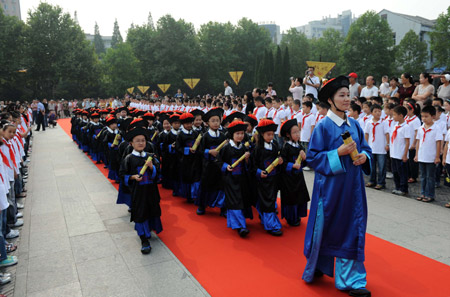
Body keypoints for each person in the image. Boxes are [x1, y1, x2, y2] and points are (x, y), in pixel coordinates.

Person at [302, 76, 372, 297]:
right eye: (341, 95)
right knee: (330, 227)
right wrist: (337, 154)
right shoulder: (323, 126)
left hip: (354, 189)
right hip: (332, 190)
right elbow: (312, 158)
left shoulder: (355, 125)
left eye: (347, 95)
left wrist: (364, 157)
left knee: (352, 228)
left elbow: (367, 149)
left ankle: (351, 280)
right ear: (330, 100)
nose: (346, 99)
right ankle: (320, 265)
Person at [119, 126, 162, 254]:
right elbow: (122, 174)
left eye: (143, 140)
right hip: (138, 193)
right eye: (137, 141)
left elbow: (158, 172)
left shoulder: (150, 156)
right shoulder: (129, 158)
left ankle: (150, 229)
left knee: (152, 209)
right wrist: (132, 177)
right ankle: (144, 239)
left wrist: (151, 167)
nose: (141, 143)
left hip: (151, 190)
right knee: (140, 213)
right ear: (131, 143)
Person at [218, 120, 252, 237]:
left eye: (242, 133)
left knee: (241, 199)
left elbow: (247, 165)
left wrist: (247, 160)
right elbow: (218, 160)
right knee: (234, 201)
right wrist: (225, 166)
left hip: (242, 179)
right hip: (230, 180)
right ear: (232, 134)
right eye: (237, 133)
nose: (240, 136)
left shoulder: (243, 148)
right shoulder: (226, 148)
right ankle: (240, 226)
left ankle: (240, 221)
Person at [252, 119, 283, 236]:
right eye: (268, 135)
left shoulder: (275, 145)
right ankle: (271, 225)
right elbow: (252, 165)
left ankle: (264, 217)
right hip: (263, 180)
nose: (271, 137)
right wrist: (259, 172)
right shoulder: (257, 149)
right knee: (268, 202)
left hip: (274, 179)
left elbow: (278, 157)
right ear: (262, 134)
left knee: (271, 199)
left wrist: (280, 162)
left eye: (272, 134)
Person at [279, 119, 310, 226]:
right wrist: (292, 165)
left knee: (300, 196)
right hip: (289, 178)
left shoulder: (299, 146)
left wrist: (304, 158)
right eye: (294, 132)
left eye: (298, 132)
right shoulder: (285, 147)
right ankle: (290, 218)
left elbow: (304, 163)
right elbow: (282, 163)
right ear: (288, 134)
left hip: (298, 176)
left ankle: (298, 215)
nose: (297, 134)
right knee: (291, 197)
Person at [196, 109, 227, 215]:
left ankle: (222, 207)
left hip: (219, 166)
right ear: (207, 123)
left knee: (221, 186)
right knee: (206, 185)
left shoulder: (223, 136)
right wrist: (209, 151)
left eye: (217, 120)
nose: (216, 123)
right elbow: (199, 151)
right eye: (213, 121)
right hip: (208, 166)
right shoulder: (204, 136)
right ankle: (202, 205)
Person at [414, 106, 442, 203]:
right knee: (422, 176)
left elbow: (438, 143)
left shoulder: (436, 128)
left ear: (433, 116)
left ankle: (430, 195)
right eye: (422, 117)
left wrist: (437, 156)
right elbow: (418, 142)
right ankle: (423, 193)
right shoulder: (421, 128)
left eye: (426, 116)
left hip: (431, 157)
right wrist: (416, 155)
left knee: (430, 177)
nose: (424, 119)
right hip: (422, 156)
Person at [364, 104, 389, 190]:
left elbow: (387, 134)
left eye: (379, 111)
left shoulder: (384, 122)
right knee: (372, 166)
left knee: (381, 166)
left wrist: (387, 144)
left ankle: (381, 182)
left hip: (381, 148)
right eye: (375, 111)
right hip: (372, 147)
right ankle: (372, 180)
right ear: (371, 113)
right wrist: (366, 145)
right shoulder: (369, 122)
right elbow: (366, 134)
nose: (378, 113)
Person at [390, 106, 411, 196]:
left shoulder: (406, 127)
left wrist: (405, 154)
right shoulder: (395, 125)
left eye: (394, 115)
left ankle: (403, 189)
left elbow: (407, 142)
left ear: (401, 115)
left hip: (401, 154)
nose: (393, 116)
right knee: (395, 171)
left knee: (402, 172)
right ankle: (397, 187)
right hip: (394, 153)